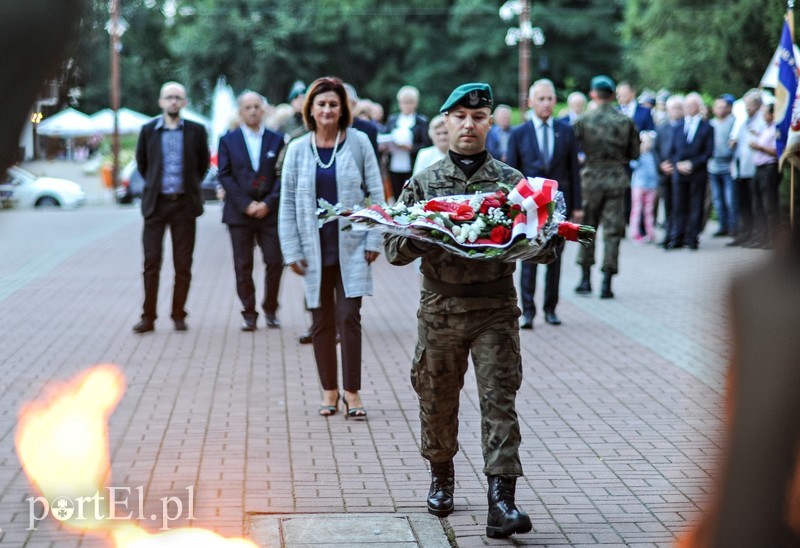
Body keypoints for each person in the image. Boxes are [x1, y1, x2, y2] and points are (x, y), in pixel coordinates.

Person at [384, 83, 533, 539]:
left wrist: (534, 238)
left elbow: (542, 246)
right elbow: (393, 249)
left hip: (494, 307)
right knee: (436, 396)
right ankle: (441, 473)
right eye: (460, 117)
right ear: (446, 122)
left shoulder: (512, 183)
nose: (469, 125)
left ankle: (501, 501)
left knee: (499, 400)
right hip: (441, 308)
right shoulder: (424, 183)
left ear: (489, 123)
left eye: (479, 117)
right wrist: (424, 233)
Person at [278, 76, 383, 419]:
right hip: (313, 249)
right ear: (310, 109)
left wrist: (374, 238)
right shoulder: (297, 148)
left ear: (343, 109)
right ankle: (329, 390)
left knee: (349, 317)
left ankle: (352, 392)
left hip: (352, 246)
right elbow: (287, 203)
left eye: (333, 104)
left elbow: (376, 194)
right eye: (321, 104)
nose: (327, 110)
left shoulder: (359, 143)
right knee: (321, 321)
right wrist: (291, 250)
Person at [132, 81, 210, 333]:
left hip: (184, 206)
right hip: (156, 205)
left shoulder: (196, 131)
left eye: (178, 97)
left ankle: (178, 313)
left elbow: (202, 165)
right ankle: (148, 317)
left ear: (184, 102)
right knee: (151, 262)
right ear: (161, 102)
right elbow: (143, 163)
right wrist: (156, 185)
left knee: (183, 264)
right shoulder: (148, 131)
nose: (173, 101)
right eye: (169, 97)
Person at [506, 79, 582, 329]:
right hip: (530, 207)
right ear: (530, 102)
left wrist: (578, 206)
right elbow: (512, 174)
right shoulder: (519, 133)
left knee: (555, 258)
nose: (546, 103)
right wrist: (514, 208)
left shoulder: (566, 131)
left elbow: (573, 170)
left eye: (550, 98)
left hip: (559, 207)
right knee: (529, 258)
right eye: (541, 99)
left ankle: (551, 309)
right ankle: (528, 311)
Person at [218, 91, 285, 331]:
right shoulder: (228, 140)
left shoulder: (277, 140)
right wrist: (245, 204)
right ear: (240, 112)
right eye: (248, 107)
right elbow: (225, 175)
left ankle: (270, 308)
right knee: (243, 264)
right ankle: (249, 312)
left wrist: (268, 203)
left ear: (264, 110)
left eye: (257, 106)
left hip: (269, 212)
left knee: (275, 261)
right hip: (239, 213)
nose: (253, 111)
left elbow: (282, 175)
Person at [574, 75, 639, 299]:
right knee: (612, 232)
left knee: (587, 228)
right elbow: (634, 153)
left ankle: (584, 279)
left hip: (590, 178)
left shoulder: (583, 120)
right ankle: (607, 283)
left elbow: (573, 149)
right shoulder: (625, 121)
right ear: (612, 95)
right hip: (616, 178)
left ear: (593, 94)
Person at [665, 92, 714, 250]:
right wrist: (677, 164)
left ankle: (692, 237)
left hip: (697, 172)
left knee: (696, 205)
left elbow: (708, 152)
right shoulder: (678, 127)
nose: (688, 108)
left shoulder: (707, 128)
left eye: (692, 105)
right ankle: (677, 237)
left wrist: (692, 164)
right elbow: (671, 150)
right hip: (679, 173)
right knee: (678, 205)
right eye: (686, 106)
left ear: (698, 107)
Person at [728, 90, 764, 247]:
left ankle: (757, 234)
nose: (748, 108)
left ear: (758, 105)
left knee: (755, 204)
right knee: (742, 204)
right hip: (740, 168)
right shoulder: (743, 120)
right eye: (746, 105)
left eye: (750, 105)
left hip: (754, 168)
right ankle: (745, 232)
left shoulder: (762, 120)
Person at [382, 85, 431, 200]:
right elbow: (384, 137)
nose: (406, 105)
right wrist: (385, 147)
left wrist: (411, 148)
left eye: (409, 102)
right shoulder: (392, 120)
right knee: (396, 196)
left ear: (416, 103)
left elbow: (427, 145)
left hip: (412, 166)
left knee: (411, 196)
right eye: (403, 102)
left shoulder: (422, 121)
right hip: (394, 165)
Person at [746, 102, 779, 249]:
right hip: (759, 169)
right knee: (757, 204)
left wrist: (759, 147)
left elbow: (777, 151)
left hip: (769, 169)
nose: (763, 116)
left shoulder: (777, 129)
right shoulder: (766, 128)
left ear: (773, 114)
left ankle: (773, 238)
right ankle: (761, 236)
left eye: (766, 113)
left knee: (769, 205)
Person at [654, 95, 684, 245]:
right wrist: (661, 165)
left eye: (678, 108)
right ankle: (668, 234)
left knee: (679, 205)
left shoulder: (686, 127)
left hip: (680, 173)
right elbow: (655, 150)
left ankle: (678, 235)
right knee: (667, 206)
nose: (675, 111)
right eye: (673, 108)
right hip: (665, 173)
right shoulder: (662, 127)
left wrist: (676, 165)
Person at [708, 96, 737, 238]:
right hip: (713, 166)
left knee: (730, 199)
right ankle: (722, 226)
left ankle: (733, 227)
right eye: (718, 107)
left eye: (723, 107)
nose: (721, 110)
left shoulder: (733, 122)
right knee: (718, 200)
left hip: (728, 166)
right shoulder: (710, 124)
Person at [629, 131, 659, 243]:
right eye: (644, 142)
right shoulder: (638, 156)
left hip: (651, 187)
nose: (646, 144)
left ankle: (650, 233)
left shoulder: (653, 156)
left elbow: (655, 171)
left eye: (648, 142)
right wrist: (638, 153)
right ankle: (635, 234)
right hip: (638, 186)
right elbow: (633, 165)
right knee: (636, 210)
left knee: (649, 211)